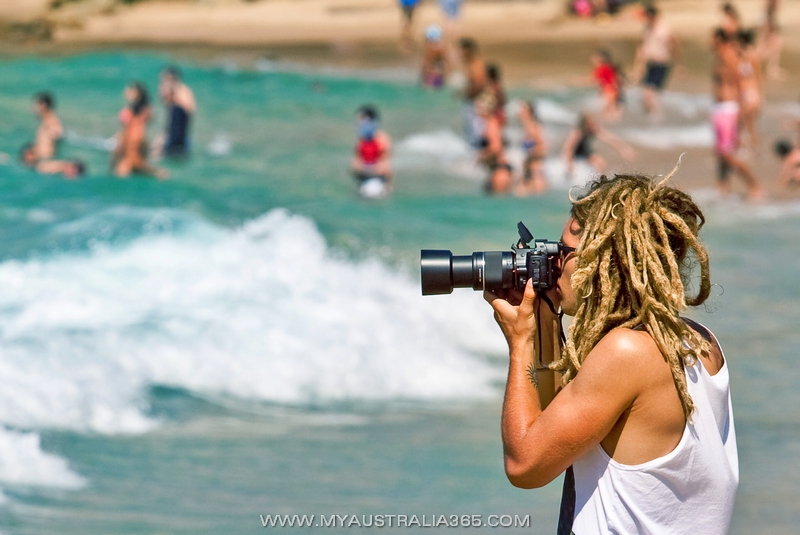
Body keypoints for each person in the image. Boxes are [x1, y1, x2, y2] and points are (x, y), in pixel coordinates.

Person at [484, 173, 738, 534]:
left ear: (601, 258)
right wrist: (542, 323)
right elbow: (553, 425)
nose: (554, 266)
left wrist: (520, 344)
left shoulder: (626, 353)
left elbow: (525, 465)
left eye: (563, 253)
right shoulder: (698, 341)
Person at [711, 29, 761, 199]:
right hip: (720, 108)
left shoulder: (729, 56)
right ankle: (722, 189)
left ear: (719, 39)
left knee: (726, 153)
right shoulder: (719, 57)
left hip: (729, 108)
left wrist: (741, 108)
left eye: (712, 39)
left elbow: (739, 83)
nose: (710, 42)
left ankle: (753, 183)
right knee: (720, 154)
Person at [632, 5, 683, 120]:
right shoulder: (646, 29)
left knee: (649, 94)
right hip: (650, 64)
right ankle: (650, 118)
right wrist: (639, 66)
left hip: (661, 64)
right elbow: (642, 49)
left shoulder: (665, 28)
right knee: (644, 95)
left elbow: (675, 45)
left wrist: (679, 65)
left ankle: (658, 118)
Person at [21, 92, 86, 179]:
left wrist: (54, 134)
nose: (34, 108)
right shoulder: (46, 121)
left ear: (43, 105)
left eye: (36, 105)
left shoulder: (51, 120)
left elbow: (59, 132)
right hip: (43, 161)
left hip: (48, 162)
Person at [111, 82, 168, 180]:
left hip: (133, 138)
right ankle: (158, 173)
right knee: (130, 167)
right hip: (137, 137)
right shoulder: (142, 109)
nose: (126, 92)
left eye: (129, 90)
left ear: (136, 93)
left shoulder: (137, 111)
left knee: (132, 165)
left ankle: (159, 173)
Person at [561, 113, 634, 177]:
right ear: (585, 124)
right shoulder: (577, 132)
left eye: (593, 123)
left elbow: (609, 139)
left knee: (601, 162)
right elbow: (568, 148)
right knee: (571, 170)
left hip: (584, 150)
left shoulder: (593, 129)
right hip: (573, 151)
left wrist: (623, 149)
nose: (593, 125)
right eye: (590, 123)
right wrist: (569, 164)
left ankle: (602, 181)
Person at [474, 90, 511, 195]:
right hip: (498, 170)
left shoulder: (491, 124)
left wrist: (482, 155)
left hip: (500, 170)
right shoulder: (490, 123)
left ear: (486, 108)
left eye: (478, 107)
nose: (476, 110)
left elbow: (496, 147)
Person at [155, 65, 196, 158]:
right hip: (173, 135)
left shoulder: (182, 90)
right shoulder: (172, 93)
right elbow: (169, 118)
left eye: (165, 79)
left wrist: (175, 94)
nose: (163, 83)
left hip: (180, 136)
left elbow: (191, 110)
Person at [351, 105, 393, 192]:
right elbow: (355, 164)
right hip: (363, 181)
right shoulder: (361, 140)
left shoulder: (382, 139)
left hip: (377, 182)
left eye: (362, 119)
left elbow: (386, 167)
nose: (359, 123)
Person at [515, 100, 548, 196]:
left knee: (531, 193)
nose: (519, 111)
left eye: (522, 109)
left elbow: (543, 147)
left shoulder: (531, 127)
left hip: (535, 167)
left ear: (528, 113)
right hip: (529, 166)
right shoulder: (527, 126)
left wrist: (530, 154)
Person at [737, 30, 763, 152]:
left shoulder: (753, 55)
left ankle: (753, 146)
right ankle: (749, 146)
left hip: (751, 92)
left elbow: (758, 76)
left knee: (748, 122)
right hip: (743, 92)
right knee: (742, 122)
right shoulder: (738, 54)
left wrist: (760, 95)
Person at [591, 49, 624, 122]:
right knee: (614, 110)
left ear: (600, 59)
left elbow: (594, 80)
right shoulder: (611, 67)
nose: (593, 61)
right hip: (614, 91)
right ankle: (618, 125)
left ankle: (612, 125)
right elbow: (617, 79)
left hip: (609, 91)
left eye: (594, 59)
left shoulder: (601, 68)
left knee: (607, 111)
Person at [421, 25, 447, 89]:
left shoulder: (429, 50)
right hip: (439, 76)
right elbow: (445, 64)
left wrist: (423, 77)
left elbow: (426, 65)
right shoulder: (442, 49)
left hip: (430, 76)